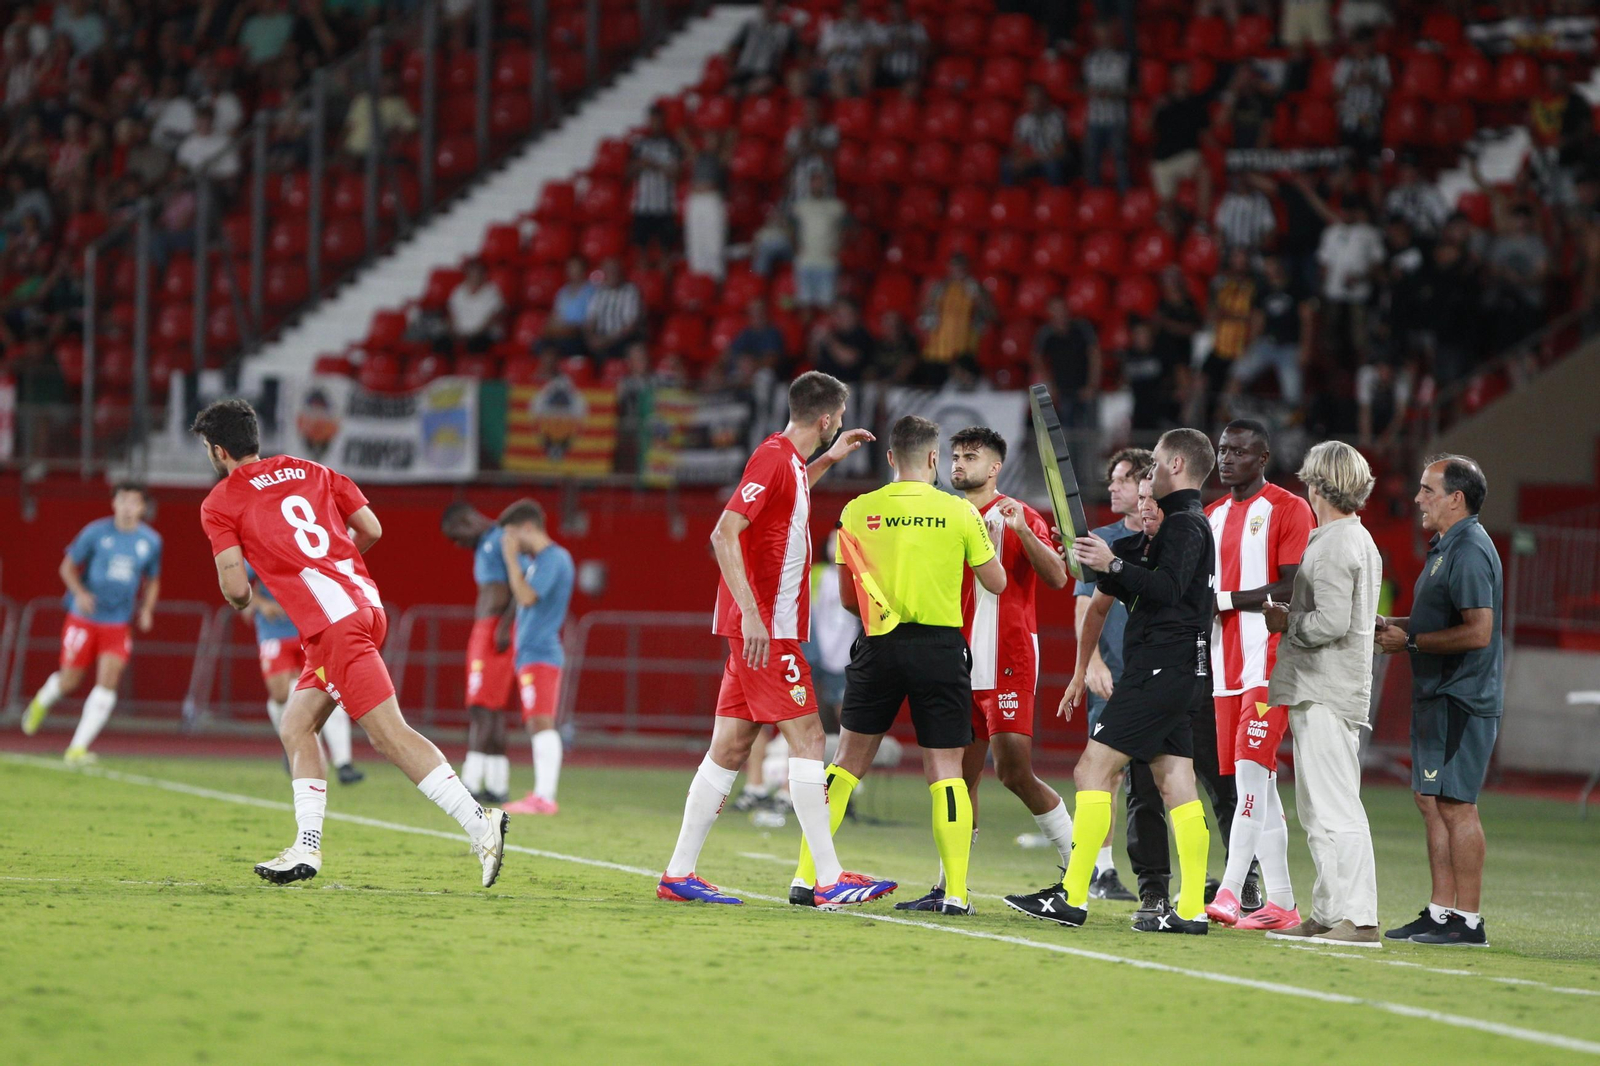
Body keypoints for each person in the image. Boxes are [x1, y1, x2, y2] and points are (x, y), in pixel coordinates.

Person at [190, 399, 507, 887]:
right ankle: (307, 848)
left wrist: (254, 593)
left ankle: (479, 821)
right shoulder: (313, 468)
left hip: (334, 624)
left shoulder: (221, 501)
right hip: (363, 606)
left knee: (387, 734)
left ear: (217, 450)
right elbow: (371, 529)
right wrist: (330, 566)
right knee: (297, 725)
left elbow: (236, 590)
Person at [658, 372, 897, 908]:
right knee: (811, 738)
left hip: (760, 629)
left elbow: (788, 496)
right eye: (839, 417)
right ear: (827, 418)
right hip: (766, 631)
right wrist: (753, 616)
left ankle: (678, 873)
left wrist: (830, 462)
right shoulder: (771, 457)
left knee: (731, 747)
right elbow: (723, 533)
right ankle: (829, 879)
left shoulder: (787, 461)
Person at [790, 415, 1006, 917]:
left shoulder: (857, 509)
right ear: (934, 459)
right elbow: (995, 583)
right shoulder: (958, 512)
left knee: (845, 764)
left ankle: (807, 877)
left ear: (890, 458)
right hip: (940, 648)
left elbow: (848, 597)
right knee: (946, 770)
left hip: (878, 646)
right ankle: (954, 893)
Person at [1010, 428, 1218, 934]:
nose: (1147, 492)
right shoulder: (1184, 527)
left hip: (1158, 671)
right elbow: (1119, 587)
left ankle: (1074, 896)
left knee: (1091, 771)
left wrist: (1114, 562)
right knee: (1176, 783)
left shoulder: (1184, 525)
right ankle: (1189, 909)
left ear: (1175, 465)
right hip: (1183, 672)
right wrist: (1104, 560)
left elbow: (1165, 589)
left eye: (1153, 476)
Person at [895, 427, 1071, 911]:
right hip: (957, 661)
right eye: (954, 456)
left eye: (970, 457)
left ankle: (1079, 872)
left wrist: (1020, 531)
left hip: (1009, 658)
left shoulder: (1018, 513)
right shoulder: (943, 514)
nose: (958, 465)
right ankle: (951, 889)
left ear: (994, 468)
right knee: (958, 778)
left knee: (1014, 771)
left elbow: (1058, 576)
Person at [1260, 441, 1383, 946]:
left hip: (1326, 687)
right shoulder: (1353, 537)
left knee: (1335, 807)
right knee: (1318, 810)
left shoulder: (1334, 542)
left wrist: (1286, 622)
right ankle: (1331, 912)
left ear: (1317, 483)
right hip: (1328, 685)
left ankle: (1361, 918)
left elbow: (1331, 621)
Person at [1376, 455, 1502, 948]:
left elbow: (1479, 631)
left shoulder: (1469, 548)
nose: (1416, 499)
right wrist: (1397, 628)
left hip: (1461, 697)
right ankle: (1442, 911)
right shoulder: (1447, 546)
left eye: (1427, 490)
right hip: (1439, 695)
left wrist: (1407, 644)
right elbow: (1437, 623)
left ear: (1456, 498)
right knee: (1431, 801)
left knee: (1456, 805)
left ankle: (1468, 921)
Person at [1203, 420, 1313, 930]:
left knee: (1249, 771)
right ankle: (1284, 905)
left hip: (1270, 661)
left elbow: (1290, 588)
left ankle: (1229, 890)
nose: (1227, 459)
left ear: (1263, 456)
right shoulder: (1210, 517)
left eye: (1239, 452)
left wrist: (1220, 601)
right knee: (1260, 785)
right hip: (1225, 669)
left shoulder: (1289, 509)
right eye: (1223, 450)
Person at [1073, 449, 1160, 909]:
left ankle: (1155, 868)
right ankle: (1101, 867)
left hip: (1158, 674)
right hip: (1115, 674)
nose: (1113, 488)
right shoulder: (1101, 539)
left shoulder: (1165, 539)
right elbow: (1084, 605)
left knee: (1162, 776)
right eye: (1112, 480)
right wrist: (1091, 664)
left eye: (1124, 480)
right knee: (1103, 772)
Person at [22, 484, 162, 764]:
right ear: (114, 504)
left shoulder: (151, 541)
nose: (127, 507)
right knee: (70, 680)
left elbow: (153, 578)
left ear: (142, 508)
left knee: (109, 681)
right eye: (122, 501)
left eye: (134, 502)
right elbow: (66, 568)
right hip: (84, 618)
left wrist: (146, 609)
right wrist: (80, 593)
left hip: (118, 622)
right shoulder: (95, 532)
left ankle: (77, 748)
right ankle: (42, 700)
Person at [248, 567, 363, 785]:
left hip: (311, 630)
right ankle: (290, 741)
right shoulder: (257, 548)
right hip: (274, 631)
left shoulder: (307, 541)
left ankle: (344, 763)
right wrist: (261, 605)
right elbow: (236, 584)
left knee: (328, 689)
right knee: (281, 693)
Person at [499, 499, 575, 815]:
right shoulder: (540, 560)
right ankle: (542, 793)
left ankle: (545, 797)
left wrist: (510, 559)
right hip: (532, 654)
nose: (509, 542)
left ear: (528, 528)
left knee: (541, 721)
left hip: (541, 653)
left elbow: (527, 596)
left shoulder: (553, 559)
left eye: (512, 534)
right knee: (536, 722)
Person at [441, 503, 518, 805]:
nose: (458, 544)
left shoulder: (501, 539)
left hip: (493, 629)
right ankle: (498, 785)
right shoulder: (489, 542)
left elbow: (521, 583)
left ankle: (470, 782)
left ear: (466, 520)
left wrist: (505, 625)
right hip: (490, 628)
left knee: (481, 708)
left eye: (456, 535)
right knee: (492, 709)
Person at [1030, 296, 1100, 429]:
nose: (1059, 313)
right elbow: (1036, 358)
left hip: (1085, 389)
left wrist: (1092, 384)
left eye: (1061, 309)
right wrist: (1049, 384)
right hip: (1063, 392)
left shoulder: (1082, 328)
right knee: (1066, 433)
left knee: (1090, 432)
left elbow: (1095, 355)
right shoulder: (1046, 333)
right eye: (1055, 310)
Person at [1082, 20, 1130, 191]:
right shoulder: (1090, 60)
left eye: (1106, 35)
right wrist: (1091, 91)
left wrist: (1111, 93)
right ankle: (1094, 196)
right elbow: (1085, 85)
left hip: (1116, 118)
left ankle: (1125, 195)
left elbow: (1130, 88)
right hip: (1095, 118)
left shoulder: (1122, 59)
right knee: (1092, 159)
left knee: (1120, 160)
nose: (1103, 39)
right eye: (1100, 35)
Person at [629, 105, 682, 261]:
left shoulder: (672, 145)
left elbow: (677, 174)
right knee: (641, 251)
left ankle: (664, 283)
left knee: (665, 251)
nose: (654, 124)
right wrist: (639, 165)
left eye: (657, 120)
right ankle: (644, 281)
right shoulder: (640, 144)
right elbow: (629, 172)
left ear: (663, 121)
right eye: (652, 120)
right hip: (643, 206)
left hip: (664, 206)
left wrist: (653, 165)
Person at [792, 168, 847, 309]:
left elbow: (850, 229)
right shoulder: (800, 206)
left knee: (827, 305)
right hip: (805, 261)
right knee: (805, 304)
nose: (817, 185)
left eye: (821, 181)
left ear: (826, 184)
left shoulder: (836, 206)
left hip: (827, 262)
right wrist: (795, 246)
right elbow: (790, 227)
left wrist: (840, 247)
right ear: (810, 184)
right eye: (814, 182)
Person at [1005, 83, 1070, 187]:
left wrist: (1033, 159)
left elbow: (1060, 151)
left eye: (1038, 100)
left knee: (1052, 166)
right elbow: (1017, 148)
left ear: (1045, 100)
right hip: (1033, 161)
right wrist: (1020, 159)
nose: (1035, 103)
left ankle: (1058, 197)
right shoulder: (1023, 121)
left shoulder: (1057, 118)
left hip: (1051, 160)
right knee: (1007, 165)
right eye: (1031, 101)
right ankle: (1009, 199)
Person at [583, 257, 644, 365]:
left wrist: (606, 340)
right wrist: (591, 338)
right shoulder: (599, 293)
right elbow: (590, 320)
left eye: (615, 270)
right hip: (601, 336)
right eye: (609, 270)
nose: (612, 274)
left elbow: (631, 326)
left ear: (621, 272)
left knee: (612, 350)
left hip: (622, 338)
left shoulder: (631, 291)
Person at [445, 259, 505, 354]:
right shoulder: (459, 291)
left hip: (484, 334)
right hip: (460, 333)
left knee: (474, 344)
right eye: (471, 273)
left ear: (484, 275)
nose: (474, 276)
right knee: (441, 343)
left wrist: (475, 333)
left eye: (477, 273)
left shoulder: (492, 292)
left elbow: (494, 317)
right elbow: (451, 313)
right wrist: (453, 332)